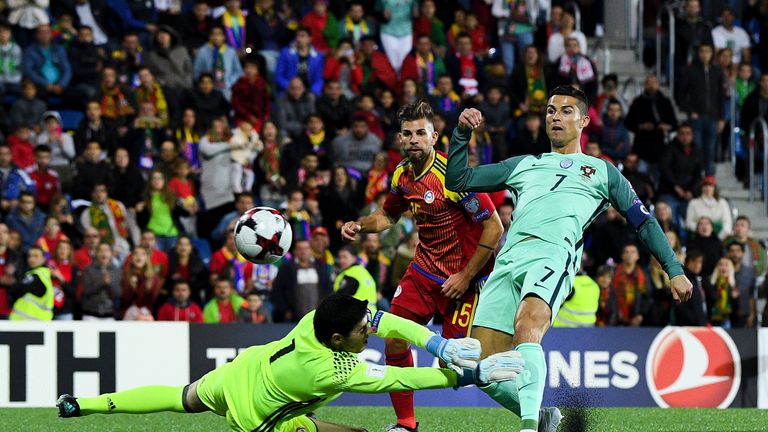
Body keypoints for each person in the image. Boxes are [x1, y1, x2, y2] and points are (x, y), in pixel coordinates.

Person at [444, 86, 692, 432]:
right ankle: (542, 417)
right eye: (550, 111)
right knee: (482, 368)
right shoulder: (524, 164)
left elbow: (644, 221)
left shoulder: (604, 172)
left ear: (584, 121)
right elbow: (458, 180)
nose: (555, 117)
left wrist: (674, 269)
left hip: (553, 253)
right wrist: (460, 134)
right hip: (509, 259)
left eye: (565, 111)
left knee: (527, 326)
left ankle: (529, 428)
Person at [58, 293, 524, 431]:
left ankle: (84, 405)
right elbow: (403, 376)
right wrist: (467, 375)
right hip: (262, 418)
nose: (372, 331)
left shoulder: (315, 321)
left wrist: (436, 341)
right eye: (364, 331)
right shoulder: (335, 368)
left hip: (240, 372)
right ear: (340, 339)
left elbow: (388, 321)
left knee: (182, 398)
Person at [341, 100, 503, 432]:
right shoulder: (402, 174)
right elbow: (387, 215)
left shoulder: (453, 177)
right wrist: (360, 225)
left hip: (463, 281)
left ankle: (521, 393)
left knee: (454, 365)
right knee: (394, 339)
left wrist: (465, 276)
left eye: (420, 133)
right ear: (400, 138)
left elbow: (495, 227)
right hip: (423, 272)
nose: (414, 139)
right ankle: (406, 423)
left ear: (433, 136)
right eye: (407, 133)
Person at [81, 242, 121, 320]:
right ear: (96, 253)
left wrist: (109, 284)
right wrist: (101, 283)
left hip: (109, 314)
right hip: (90, 314)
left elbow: (118, 293)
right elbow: (87, 291)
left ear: (111, 253)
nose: (103, 253)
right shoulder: (88, 269)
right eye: (100, 250)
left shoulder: (116, 270)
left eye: (106, 250)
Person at [334, 245, 377, 310]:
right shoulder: (362, 271)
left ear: (354, 258)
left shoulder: (351, 275)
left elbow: (338, 298)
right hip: (371, 314)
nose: (341, 260)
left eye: (345, 257)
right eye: (340, 257)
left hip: (357, 314)